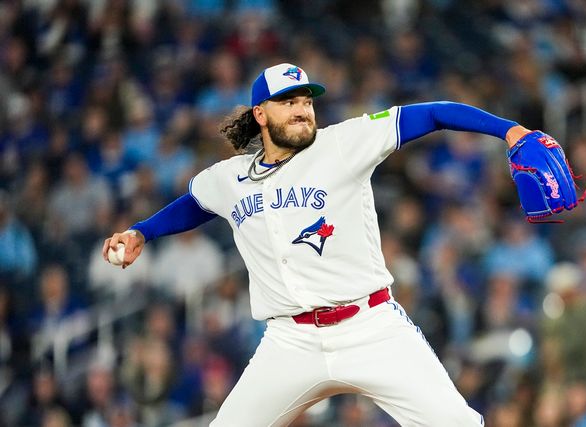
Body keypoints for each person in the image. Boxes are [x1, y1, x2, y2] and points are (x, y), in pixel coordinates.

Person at [103, 63, 545, 426]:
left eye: (307, 101)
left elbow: (433, 113)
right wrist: (141, 232)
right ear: (260, 114)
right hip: (289, 342)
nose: (302, 110)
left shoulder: (343, 143)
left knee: (456, 423)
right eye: (288, 102)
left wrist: (509, 131)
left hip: (370, 327)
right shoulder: (230, 177)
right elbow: (195, 203)